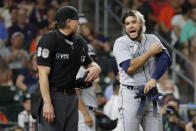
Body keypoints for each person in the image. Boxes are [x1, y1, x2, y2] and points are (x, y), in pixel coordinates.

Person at [36, 6, 101, 131]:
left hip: (72, 97)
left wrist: (96, 68)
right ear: (68, 22)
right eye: (77, 19)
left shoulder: (79, 41)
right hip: (53, 95)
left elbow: (89, 62)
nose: (79, 23)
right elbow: (42, 75)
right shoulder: (49, 40)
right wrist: (47, 103)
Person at [113, 10, 171, 131]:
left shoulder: (152, 38)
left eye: (134, 22)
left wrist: (154, 78)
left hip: (150, 94)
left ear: (142, 23)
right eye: (127, 23)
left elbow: (166, 58)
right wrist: (150, 52)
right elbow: (129, 67)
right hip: (130, 95)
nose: (130, 26)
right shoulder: (121, 42)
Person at [76, 44, 98, 131]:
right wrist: (85, 114)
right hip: (84, 112)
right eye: (88, 56)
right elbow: (76, 94)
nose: (90, 59)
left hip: (88, 110)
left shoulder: (87, 71)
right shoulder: (80, 70)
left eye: (92, 56)